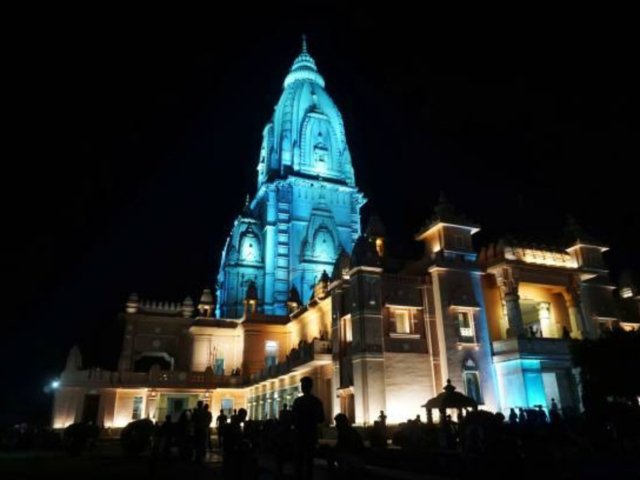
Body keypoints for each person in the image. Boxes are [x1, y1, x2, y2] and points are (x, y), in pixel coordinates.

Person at [292, 376, 325, 480]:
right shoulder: (316, 402)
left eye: (303, 385)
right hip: (311, 435)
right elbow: (321, 419)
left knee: (299, 462)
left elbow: (293, 419)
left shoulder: (298, 401)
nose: (302, 387)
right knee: (309, 462)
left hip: (300, 435)